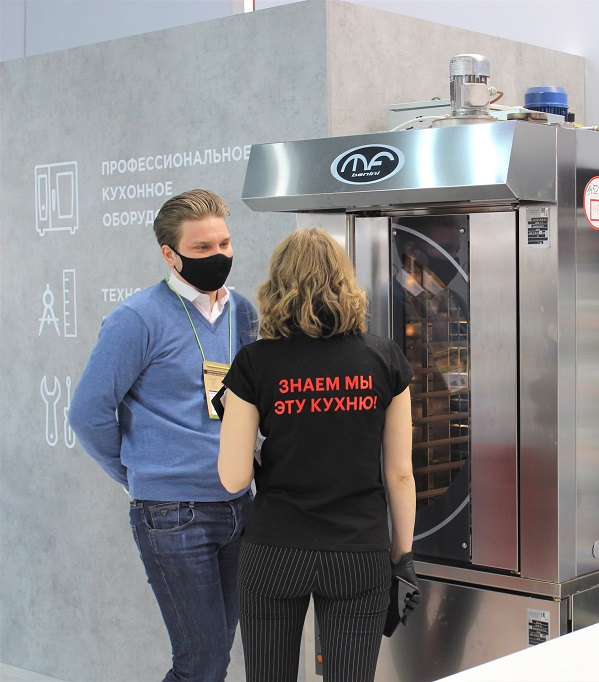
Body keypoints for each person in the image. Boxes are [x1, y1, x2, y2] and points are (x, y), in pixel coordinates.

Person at [69, 189, 258, 682]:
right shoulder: (136, 319)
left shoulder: (243, 312)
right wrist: (137, 475)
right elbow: (88, 413)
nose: (218, 256)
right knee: (201, 664)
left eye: (224, 244)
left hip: (239, 506)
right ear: (169, 255)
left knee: (217, 657)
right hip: (173, 515)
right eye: (202, 248)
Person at [217, 227, 418, 682]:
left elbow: (232, 478)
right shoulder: (384, 358)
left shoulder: (254, 363)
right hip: (358, 554)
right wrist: (402, 557)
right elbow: (401, 474)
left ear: (277, 286)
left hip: (275, 552)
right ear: (346, 282)